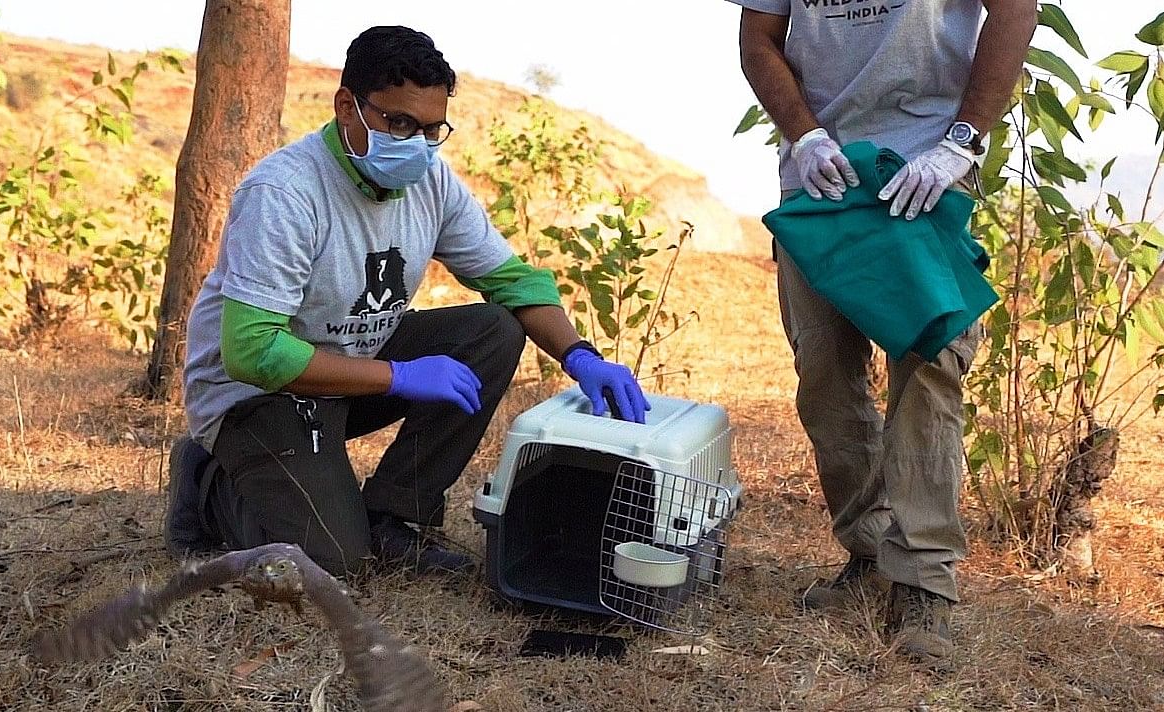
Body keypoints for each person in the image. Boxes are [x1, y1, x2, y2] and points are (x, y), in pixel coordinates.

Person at [164, 25, 650, 579]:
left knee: (492, 329)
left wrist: (580, 356)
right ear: (347, 107)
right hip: (254, 395)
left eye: (430, 128)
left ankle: (395, 518)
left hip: (348, 365)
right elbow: (252, 353)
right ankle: (208, 484)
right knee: (333, 561)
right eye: (398, 123)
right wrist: (397, 376)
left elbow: (514, 282)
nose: (415, 144)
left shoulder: (430, 182)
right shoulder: (284, 193)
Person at [732, 0, 1036, 662]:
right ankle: (869, 552)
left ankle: (924, 580)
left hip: (928, 166)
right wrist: (804, 136)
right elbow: (758, 37)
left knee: (928, 364)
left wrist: (962, 141)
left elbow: (1014, 11)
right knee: (823, 373)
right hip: (819, 174)